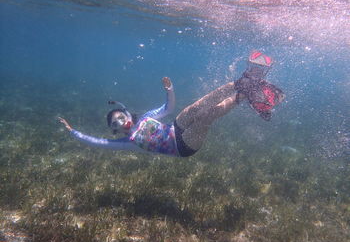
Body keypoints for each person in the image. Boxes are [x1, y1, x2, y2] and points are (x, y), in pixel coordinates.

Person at [59, 51, 285, 157]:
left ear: (128, 115)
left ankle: (241, 84)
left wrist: (169, 89)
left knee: (194, 109)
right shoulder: (128, 143)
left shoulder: (147, 117)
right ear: (115, 130)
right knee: (205, 118)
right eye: (116, 122)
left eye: (121, 116)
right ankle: (243, 96)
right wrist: (73, 132)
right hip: (183, 147)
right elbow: (99, 143)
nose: (121, 121)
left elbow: (168, 109)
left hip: (176, 128)